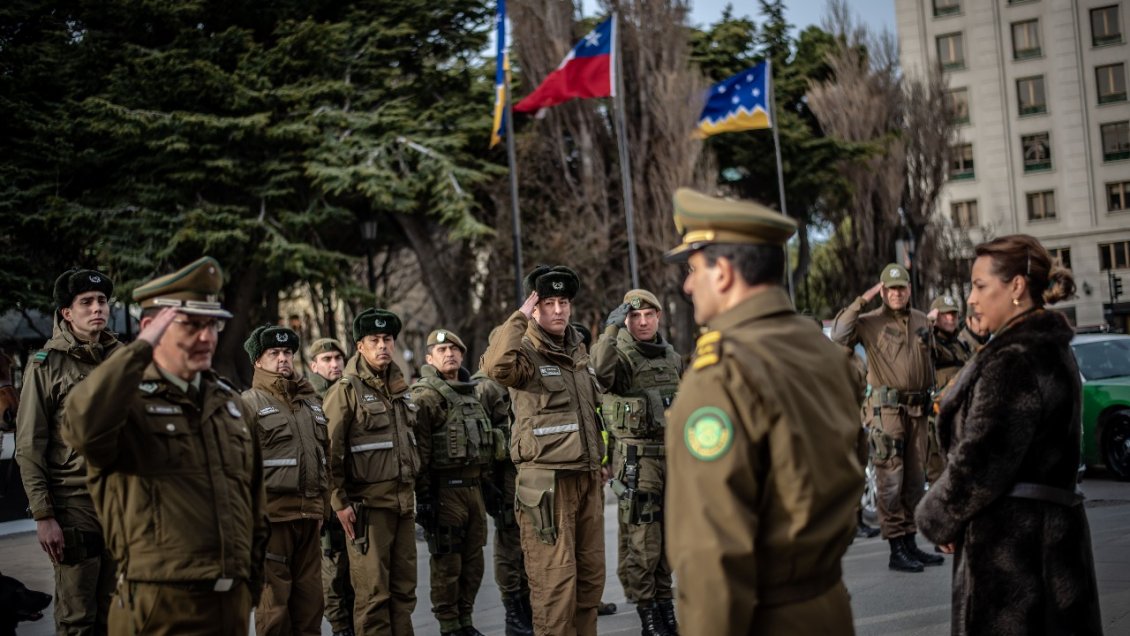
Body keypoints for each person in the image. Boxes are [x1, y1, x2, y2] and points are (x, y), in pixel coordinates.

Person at [663, 188, 864, 634]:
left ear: (725, 272)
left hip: (764, 617)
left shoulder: (720, 376)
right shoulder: (823, 352)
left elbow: (711, 554)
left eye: (694, 269)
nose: (687, 285)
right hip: (830, 605)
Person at [61, 256, 269, 634]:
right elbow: (83, 426)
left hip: (230, 604)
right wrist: (140, 351)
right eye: (190, 325)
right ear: (150, 329)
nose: (206, 337)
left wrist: (247, 586)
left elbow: (255, 505)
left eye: (212, 325)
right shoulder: (128, 405)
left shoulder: (232, 406)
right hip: (159, 607)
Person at [915, 234, 1102, 635]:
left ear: (1016, 286)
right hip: (1048, 545)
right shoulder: (1047, 348)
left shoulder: (1015, 359)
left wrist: (937, 517)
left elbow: (980, 463)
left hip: (1014, 558)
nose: (970, 299)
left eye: (980, 286)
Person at [482, 265, 606, 636]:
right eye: (547, 302)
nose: (557, 310)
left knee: (589, 583)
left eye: (563, 301)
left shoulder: (578, 352)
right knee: (555, 587)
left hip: (585, 479)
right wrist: (520, 316)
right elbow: (494, 366)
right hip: (546, 486)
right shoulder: (524, 353)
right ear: (534, 308)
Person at [15, 268, 120, 635]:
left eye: (102, 301)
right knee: (78, 619)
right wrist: (44, 515)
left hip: (122, 503)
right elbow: (29, 445)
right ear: (66, 312)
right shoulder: (46, 364)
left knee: (116, 615)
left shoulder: (122, 359)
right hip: (75, 504)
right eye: (86, 302)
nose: (97, 309)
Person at [831, 263, 942, 572]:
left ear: (909, 289)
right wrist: (862, 299)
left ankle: (910, 543)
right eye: (890, 288)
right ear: (883, 291)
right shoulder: (868, 322)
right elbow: (839, 335)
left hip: (918, 411)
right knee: (890, 479)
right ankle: (896, 548)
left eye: (901, 288)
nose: (896, 293)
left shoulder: (921, 320)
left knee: (914, 480)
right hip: (887, 412)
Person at [324, 308, 419, 635]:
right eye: (374, 340)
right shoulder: (345, 391)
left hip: (403, 506)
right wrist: (340, 502)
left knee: (404, 593)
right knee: (373, 596)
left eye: (388, 339)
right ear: (360, 346)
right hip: (367, 511)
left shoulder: (400, 388)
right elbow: (329, 450)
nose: (382, 346)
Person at [590, 289, 680, 635]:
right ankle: (649, 616)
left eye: (649, 315)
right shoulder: (620, 356)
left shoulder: (671, 357)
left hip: (670, 458)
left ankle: (665, 609)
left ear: (658, 317)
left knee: (668, 539)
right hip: (635, 461)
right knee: (644, 543)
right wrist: (609, 333)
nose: (643, 322)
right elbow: (599, 371)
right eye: (635, 317)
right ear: (626, 320)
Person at [241, 326, 330, 636]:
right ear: (258, 361)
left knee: (311, 607)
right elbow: (240, 468)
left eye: (287, 353)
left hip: (309, 519)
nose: (283, 359)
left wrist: (323, 510)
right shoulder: (248, 404)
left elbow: (324, 459)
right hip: (271, 521)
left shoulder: (310, 403)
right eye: (274, 354)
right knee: (274, 610)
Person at [411, 329, 495, 636]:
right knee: (448, 564)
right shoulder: (425, 397)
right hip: (445, 492)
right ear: (429, 357)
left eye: (455, 349)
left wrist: (488, 484)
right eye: (442, 349)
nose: (450, 354)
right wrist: (425, 499)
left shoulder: (470, 392)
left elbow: (480, 445)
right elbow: (420, 452)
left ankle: (466, 621)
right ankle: (449, 626)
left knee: (474, 564)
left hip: (473, 490)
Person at [472, 349, 534, 636]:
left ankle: (525, 605)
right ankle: (513, 610)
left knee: (527, 544)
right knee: (509, 544)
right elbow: (481, 441)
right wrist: (488, 485)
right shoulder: (486, 386)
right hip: (504, 476)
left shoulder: (523, 379)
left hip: (527, 473)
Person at [307, 337, 356, 636]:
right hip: (326, 501)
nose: (334, 364)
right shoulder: (308, 399)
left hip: (351, 493)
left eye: (338, 358)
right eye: (326, 360)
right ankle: (341, 629)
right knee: (333, 569)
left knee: (354, 571)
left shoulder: (349, 392)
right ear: (314, 365)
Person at [924, 295, 972, 483]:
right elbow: (918, 341)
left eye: (953, 314)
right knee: (941, 479)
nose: (951, 318)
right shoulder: (930, 343)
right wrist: (928, 322)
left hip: (962, 417)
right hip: (940, 419)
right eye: (945, 315)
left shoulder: (961, 344)